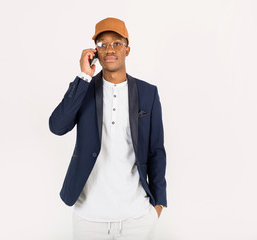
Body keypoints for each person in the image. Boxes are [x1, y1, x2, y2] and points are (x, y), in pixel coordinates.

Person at [49, 17, 167, 240]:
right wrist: (84, 76)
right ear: (95, 51)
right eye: (102, 44)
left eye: (116, 43)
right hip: (89, 218)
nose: (110, 49)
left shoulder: (148, 93)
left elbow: (156, 151)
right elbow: (57, 126)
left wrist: (158, 204)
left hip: (136, 218)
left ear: (127, 49)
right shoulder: (83, 89)